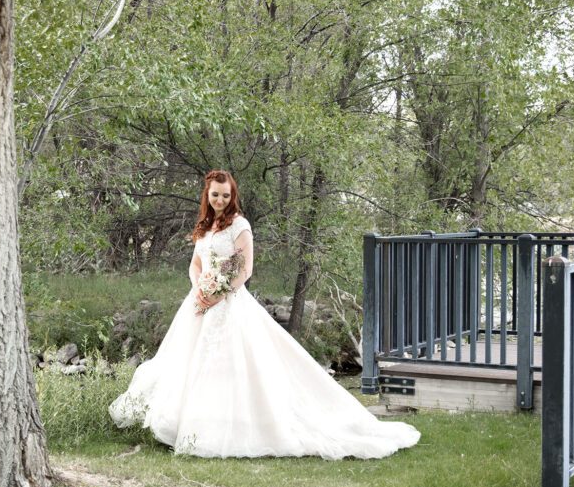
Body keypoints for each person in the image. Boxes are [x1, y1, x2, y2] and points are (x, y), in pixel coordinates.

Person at [109, 170, 419, 459]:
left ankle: (230, 428)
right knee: (187, 364)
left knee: (229, 366)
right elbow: (195, 263)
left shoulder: (239, 226)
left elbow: (245, 269)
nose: (220, 201)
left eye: (226, 196)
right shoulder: (204, 227)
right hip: (199, 300)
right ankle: (186, 423)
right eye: (215, 195)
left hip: (229, 303)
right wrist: (200, 288)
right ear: (208, 195)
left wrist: (218, 293)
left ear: (233, 197)